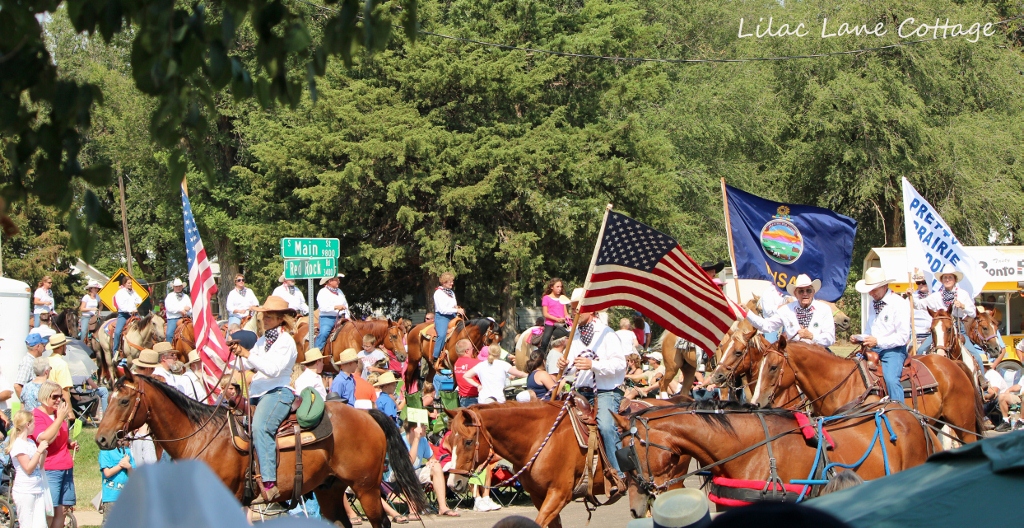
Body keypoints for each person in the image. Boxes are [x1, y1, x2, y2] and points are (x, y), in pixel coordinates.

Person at [227, 296, 298, 504]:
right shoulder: (264, 339)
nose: (264, 319)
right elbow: (251, 364)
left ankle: (269, 483)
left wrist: (247, 353)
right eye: (263, 315)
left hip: (277, 392)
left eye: (269, 316)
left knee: (260, 427)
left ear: (280, 318)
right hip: (259, 392)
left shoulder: (286, 341)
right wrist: (237, 353)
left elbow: (272, 369)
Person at [557, 288, 627, 477]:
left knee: (605, 425)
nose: (573, 313)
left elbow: (621, 364)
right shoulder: (574, 335)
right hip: (581, 390)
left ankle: (619, 472)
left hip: (606, 391)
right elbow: (572, 367)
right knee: (558, 422)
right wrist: (565, 366)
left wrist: (593, 365)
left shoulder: (607, 333)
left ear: (591, 309)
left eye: (576, 309)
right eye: (572, 309)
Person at [854, 268, 912, 404]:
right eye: (870, 289)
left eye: (874, 289)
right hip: (873, 349)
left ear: (885, 286)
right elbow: (870, 330)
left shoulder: (899, 303)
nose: (871, 293)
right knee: (850, 367)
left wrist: (878, 341)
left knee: (891, 379)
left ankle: (900, 411)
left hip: (894, 351)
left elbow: (903, 337)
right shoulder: (873, 304)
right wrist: (860, 338)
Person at [919, 265, 986, 367]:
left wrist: (963, 306)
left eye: (950, 277)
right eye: (945, 277)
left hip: (958, 328)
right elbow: (920, 304)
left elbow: (973, 312)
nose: (947, 279)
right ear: (941, 280)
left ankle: (982, 381)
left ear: (955, 280)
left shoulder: (962, 294)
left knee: (977, 357)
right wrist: (910, 295)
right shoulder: (936, 296)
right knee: (921, 350)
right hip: (940, 330)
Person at [31, 381, 77, 528]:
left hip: (66, 466)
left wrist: (69, 442)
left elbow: (59, 435)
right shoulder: (36, 415)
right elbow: (44, 439)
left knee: (62, 511)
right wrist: (58, 419)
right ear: (45, 396)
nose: (58, 400)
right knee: (49, 512)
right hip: (50, 469)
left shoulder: (58, 414)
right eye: (55, 397)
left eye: (61, 397)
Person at [746, 274, 836, 349]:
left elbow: (830, 338)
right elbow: (767, 326)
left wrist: (812, 337)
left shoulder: (824, 309)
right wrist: (747, 313)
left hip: (817, 353)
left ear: (813, 292)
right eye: (801, 291)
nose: (805, 294)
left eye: (808, 290)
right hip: (794, 355)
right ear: (795, 294)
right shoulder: (786, 310)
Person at [403, 421, 459, 517]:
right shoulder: (400, 440)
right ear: (413, 429)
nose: (426, 427)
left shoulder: (423, 440)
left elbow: (432, 458)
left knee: (436, 466)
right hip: (397, 474)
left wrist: (432, 462)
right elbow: (408, 463)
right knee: (407, 471)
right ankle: (412, 510)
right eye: (423, 426)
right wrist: (416, 439)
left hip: (416, 472)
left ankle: (442, 507)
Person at [8, 410, 50, 528]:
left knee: (41, 525)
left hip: (38, 489)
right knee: (27, 524)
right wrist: (38, 451)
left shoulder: (31, 442)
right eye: (34, 423)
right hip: (25, 491)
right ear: (27, 424)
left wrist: (43, 453)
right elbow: (28, 468)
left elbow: (39, 466)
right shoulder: (18, 445)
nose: (35, 426)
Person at [432, 272, 465, 360]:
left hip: (453, 316)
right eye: (450, 281)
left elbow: (453, 305)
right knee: (442, 335)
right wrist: (456, 310)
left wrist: (457, 308)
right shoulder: (438, 293)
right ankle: (435, 356)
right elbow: (442, 309)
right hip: (442, 317)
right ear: (444, 282)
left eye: (452, 281)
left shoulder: (451, 293)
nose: (452, 283)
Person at [99, 441, 134, 520]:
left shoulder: (127, 451)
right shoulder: (105, 451)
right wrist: (121, 465)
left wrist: (129, 467)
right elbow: (107, 473)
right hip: (111, 497)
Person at [315, 275, 348, 351]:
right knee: (324, 333)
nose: (339, 281)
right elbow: (322, 307)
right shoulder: (323, 292)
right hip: (327, 318)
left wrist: (348, 316)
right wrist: (336, 307)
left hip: (341, 317)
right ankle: (317, 352)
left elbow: (345, 305)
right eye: (337, 280)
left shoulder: (339, 291)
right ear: (330, 281)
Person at [112, 276, 143, 356]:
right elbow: (121, 306)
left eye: (131, 283)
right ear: (124, 284)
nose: (130, 284)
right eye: (128, 283)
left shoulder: (132, 292)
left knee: (143, 328)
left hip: (134, 315)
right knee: (118, 332)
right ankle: (115, 352)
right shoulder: (120, 293)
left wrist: (134, 292)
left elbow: (140, 300)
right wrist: (130, 310)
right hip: (124, 315)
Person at [538, 278, 570, 355]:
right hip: (551, 324)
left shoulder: (562, 298)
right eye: (557, 286)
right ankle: (541, 357)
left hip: (562, 323)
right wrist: (556, 319)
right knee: (545, 340)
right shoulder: (546, 298)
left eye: (561, 287)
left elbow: (566, 313)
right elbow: (545, 314)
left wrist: (567, 317)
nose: (560, 289)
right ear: (552, 287)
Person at [45, 334, 74, 412]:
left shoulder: (46, 360)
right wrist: (70, 411)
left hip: (46, 402)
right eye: (65, 345)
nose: (66, 347)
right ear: (61, 347)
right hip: (58, 403)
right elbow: (64, 390)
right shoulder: (62, 364)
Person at [16, 334, 48, 398]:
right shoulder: (27, 362)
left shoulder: (32, 360)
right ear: (38, 346)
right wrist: (26, 403)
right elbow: (17, 386)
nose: (44, 348)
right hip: (31, 406)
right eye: (43, 345)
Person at [452, 339, 481, 407]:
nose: (473, 350)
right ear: (466, 351)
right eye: (472, 348)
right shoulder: (475, 363)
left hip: (463, 399)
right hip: (475, 399)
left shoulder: (456, 364)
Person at [907, 270, 932, 350]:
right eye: (918, 283)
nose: (921, 285)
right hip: (915, 335)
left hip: (931, 334)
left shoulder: (935, 296)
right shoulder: (911, 297)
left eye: (923, 282)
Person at [163, 278, 192, 343]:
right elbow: (169, 308)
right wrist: (180, 310)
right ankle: (170, 349)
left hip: (185, 318)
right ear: (173, 287)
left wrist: (188, 311)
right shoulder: (170, 296)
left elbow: (190, 308)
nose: (178, 288)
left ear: (182, 287)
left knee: (193, 331)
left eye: (179, 286)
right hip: (173, 319)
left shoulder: (186, 297)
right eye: (176, 286)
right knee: (169, 334)